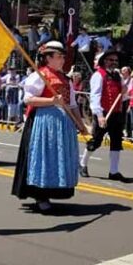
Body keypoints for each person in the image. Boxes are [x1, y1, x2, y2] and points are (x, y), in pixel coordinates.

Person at [12, 41, 81, 212]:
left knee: (58, 157)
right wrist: (50, 100)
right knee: (43, 157)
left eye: (63, 56)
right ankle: (40, 194)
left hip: (62, 125)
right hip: (43, 122)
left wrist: (80, 124)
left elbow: (72, 105)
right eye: (59, 56)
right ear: (48, 58)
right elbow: (28, 99)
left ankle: (53, 190)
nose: (62, 59)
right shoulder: (40, 75)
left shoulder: (66, 78)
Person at [79, 50, 127, 180]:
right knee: (96, 141)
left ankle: (114, 171)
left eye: (115, 61)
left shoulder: (119, 76)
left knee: (116, 142)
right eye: (111, 60)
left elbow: (123, 97)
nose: (114, 63)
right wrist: (99, 115)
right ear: (104, 61)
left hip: (116, 113)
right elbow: (95, 96)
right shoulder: (98, 75)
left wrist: (124, 91)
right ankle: (83, 164)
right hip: (103, 113)